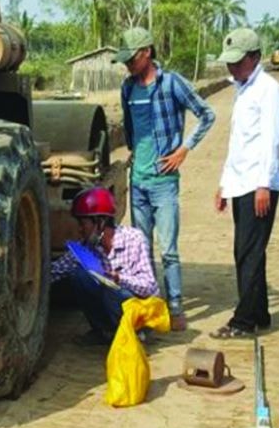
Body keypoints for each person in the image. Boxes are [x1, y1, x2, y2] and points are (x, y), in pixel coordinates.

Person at [116, 27, 216, 330]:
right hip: (139, 182)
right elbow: (130, 128)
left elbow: (207, 114)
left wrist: (184, 149)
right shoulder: (127, 88)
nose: (128, 65)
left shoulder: (172, 84)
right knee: (141, 250)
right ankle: (150, 306)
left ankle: (175, 306)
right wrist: (134, 154)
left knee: (169, 250)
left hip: (163, 182)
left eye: (131, 59)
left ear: (146, 52)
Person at [212, 27, 279, 340]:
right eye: (230, 62)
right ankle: (260, 313)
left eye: (238, 61)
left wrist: (263, 186)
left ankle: (243, 321)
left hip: (258, 184)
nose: (232, 67)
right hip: (241, 182)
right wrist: (224, 185)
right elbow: (238, 144)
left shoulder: (269, 92)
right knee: (248, 251)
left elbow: (271, 141)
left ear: (255, 58)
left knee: (249, 252)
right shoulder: (242, 88)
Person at [51, 187, 158, 343]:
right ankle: (103, 331)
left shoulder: (134, 238)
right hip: (114, 301)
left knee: (110, 290)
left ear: (100, 223)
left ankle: (134, 332)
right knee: (79, 275)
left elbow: (149, 286)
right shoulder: (85, 248)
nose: (79, 230)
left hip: (141, 308)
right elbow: (55, 271)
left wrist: (119, 278)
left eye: (83, 224)